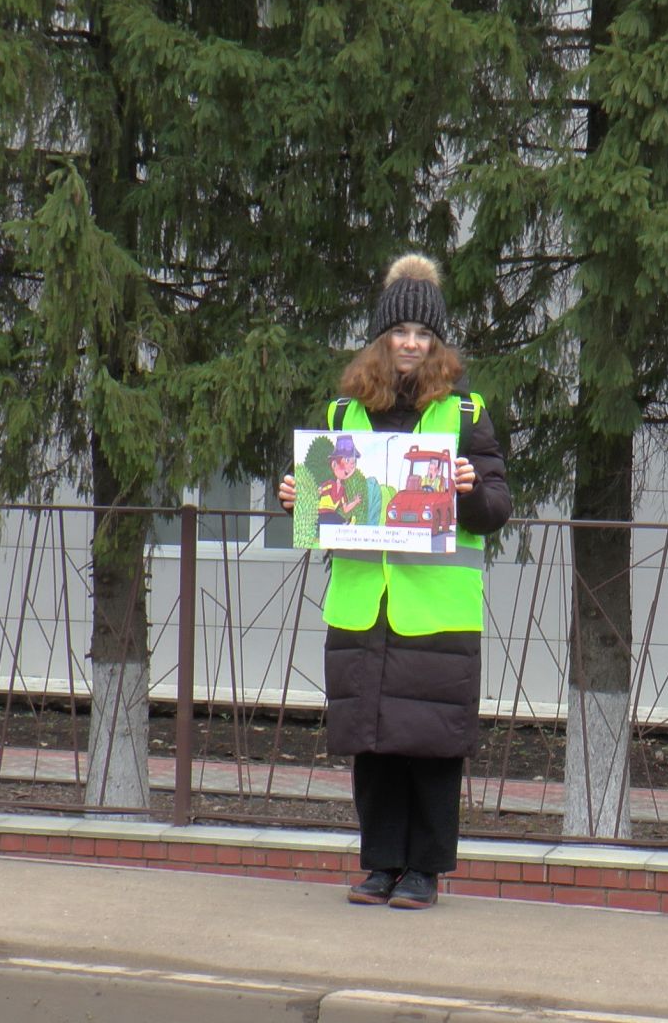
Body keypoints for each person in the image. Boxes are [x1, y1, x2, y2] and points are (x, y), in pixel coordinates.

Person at [279, 254, 510, 909]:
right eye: (400, 332)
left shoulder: (464, 413)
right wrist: (295, 498)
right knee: (373, 743)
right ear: (381, 339)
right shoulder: (341, 412)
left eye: (423, 333)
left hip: (436, 610)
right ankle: (380, 865)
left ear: (436, 342)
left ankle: (424, 873)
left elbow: (496, 510)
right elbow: (320, 517)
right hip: (362, 609)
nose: (411, 343)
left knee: (430, 747)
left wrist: (468, 489)